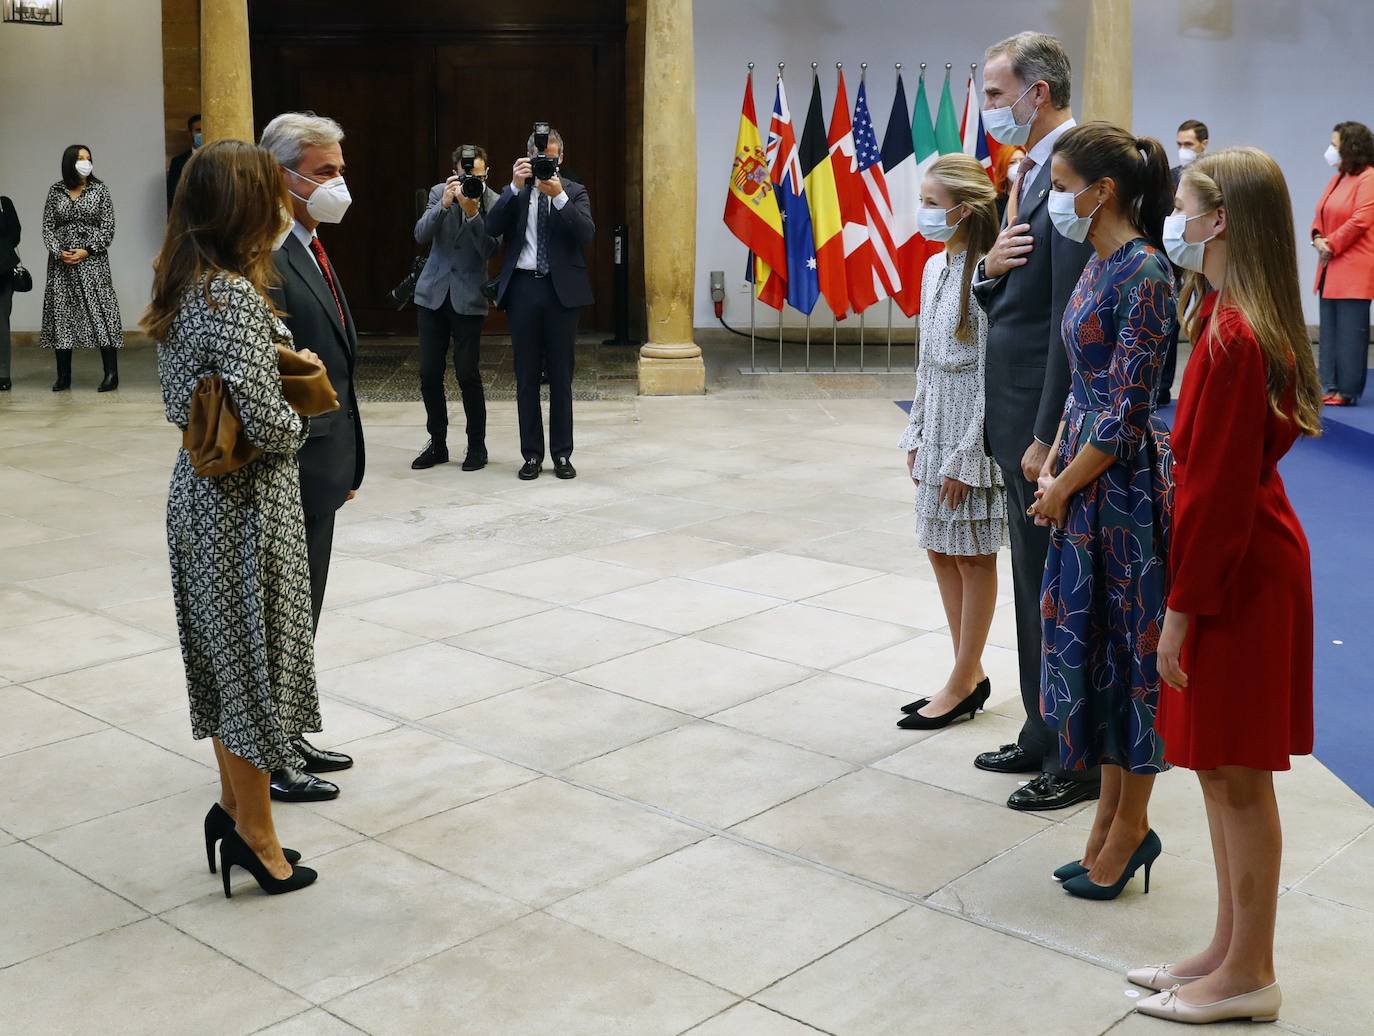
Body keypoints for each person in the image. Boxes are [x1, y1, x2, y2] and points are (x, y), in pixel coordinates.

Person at [1134, 146, 1320, 1025]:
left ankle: (1251, 973)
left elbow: (1212, 493)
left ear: (1221, 222)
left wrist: (1180, 612)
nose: (1174, 219)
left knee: (1239, 775)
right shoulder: (1221, 316)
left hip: (1237, 573)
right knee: (1215, 767)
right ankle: (1224, 946)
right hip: (1232, 561)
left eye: (1185, 205)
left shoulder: (1237, 334)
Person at [143, 138, 321, 897]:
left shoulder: (185, 284)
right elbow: (271, 425)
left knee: (224, 665)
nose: (283, 204)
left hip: (199, 495)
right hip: (246, 507)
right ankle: (257, 832)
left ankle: (230, 806)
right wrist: (306, 408)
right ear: (243, 206)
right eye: (269, 192)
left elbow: (177, 403)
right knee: (253, 668)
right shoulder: (234, 296)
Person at [1030, 123, 1178, 900]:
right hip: (1082, 478)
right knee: (1094, 651)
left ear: (1103, 191)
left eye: (1060, 184)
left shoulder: (1147, 272)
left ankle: (1129, 827)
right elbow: (1082, 382)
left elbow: (1125, 414)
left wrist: (1063, 483)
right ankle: (1110, 820)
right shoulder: (1098, 262)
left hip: (1120, 494)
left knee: (1131, 656)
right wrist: (1050, 454)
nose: (1055, 198)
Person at [971, 31, 1098, 811]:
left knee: (1057, 586)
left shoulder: (1077, 174)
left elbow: (1067, 321)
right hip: (1014, 409)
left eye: (994, 94)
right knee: (1028, 580)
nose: (989, 109)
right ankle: (1041, 729)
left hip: (1041, 428)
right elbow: (1017, 295)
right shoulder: (1027, 171)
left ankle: (1077, 755)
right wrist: (989, 272)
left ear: (1036, 93)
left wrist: (1047, 434)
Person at [259, 111, 363, 803]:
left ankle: (291, 735)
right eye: (324, 173)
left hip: (324, 466)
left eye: (339, 170)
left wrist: (348, 465)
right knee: (278, 618)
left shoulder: (312, 244)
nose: (337, 185)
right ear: (283, 176)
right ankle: (269, 754)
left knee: (305, 614)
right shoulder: (265, 257)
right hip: (288, 468)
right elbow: (275, 371)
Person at [897, 153, 1004, 731]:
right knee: (938, 546)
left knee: (971, 552)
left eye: (932, 204)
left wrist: (971, 451)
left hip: (971, 429)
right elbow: (925, 362)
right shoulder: (934, 268)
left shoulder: (988, 272)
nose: (923, 213)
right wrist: (914, 429)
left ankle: (963, 679)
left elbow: (992, 370)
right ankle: (970, 669)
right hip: (935, 417)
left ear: (963, 210)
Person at [485, 125, 595, 480]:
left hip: (561, 292)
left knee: (561, 376)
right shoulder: (516, 193)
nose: (544, 164)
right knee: (526, 376)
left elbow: (586, 234)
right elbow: (492, 227)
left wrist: (559, 195)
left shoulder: (575, 192)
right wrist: (515, 187)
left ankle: (562, 454)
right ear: (527, 157)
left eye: (550, 158)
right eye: (538, 158)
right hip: (524, 289)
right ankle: (531, 454)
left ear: (561, 159)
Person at [411, 144, 501, 472]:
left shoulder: (493, 201)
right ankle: (437, 443)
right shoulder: (439, 193)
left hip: (468, 296)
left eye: (478, 175)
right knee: (429, 373)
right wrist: (445, 205)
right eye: (466, 174)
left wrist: (474, 212)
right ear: (455, 172)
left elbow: (490, 249)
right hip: (433, 294)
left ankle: (477, 445)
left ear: (486, 174)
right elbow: (421, 234)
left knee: (467, 373)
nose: (471, 180)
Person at [40, 145, 122, 392]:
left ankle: (111, 374)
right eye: (80, 159)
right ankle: (63, 376)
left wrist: (87, 249)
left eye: (88, 158)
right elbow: (48, 227)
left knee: (101, 312)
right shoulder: (56, 191)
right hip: (61, 264)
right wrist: (58, 251)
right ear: (69, 163)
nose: (85, 162)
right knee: (62, 314)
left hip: (93, 262)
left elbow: (108, 228)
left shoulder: (100, 190)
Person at [1311, 120, 1374, 407]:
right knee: (1330, 331)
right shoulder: (1338, 177)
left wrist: (1331, 243)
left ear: (1351, 148)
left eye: (1335, 145)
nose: (1330, 150)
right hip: (1329, 265)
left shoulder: (1368, 178)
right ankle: (1329, 384)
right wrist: (1317, 238)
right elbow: (1321, 212)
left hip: (1353, 267)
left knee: (1350, 333)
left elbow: (1361, 220)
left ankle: (1346, 390)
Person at [0, 193, 19, 391]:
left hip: (2, 272)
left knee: (1, 325)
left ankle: (3, 374)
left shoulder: (4, 202)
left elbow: (16, 234)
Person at [166, 113, 202, 211]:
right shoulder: (178, 162)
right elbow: (172, 195)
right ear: (190, 134)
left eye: (206, 130)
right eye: (199, 130)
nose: (202, 134)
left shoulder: (219, 158)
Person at [993, 145, 1028, 222]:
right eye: (1012, 162)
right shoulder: (994, 203)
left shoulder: (1034, 194)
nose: (1019, 166)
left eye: (1022, 161)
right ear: (1003, 167)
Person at [1171, 119, 1209, 188]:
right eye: (1179, 144)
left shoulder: (1216, 174)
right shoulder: (1172, 176)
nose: (1182, 149)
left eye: (1188, 144)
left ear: (1204, 144)